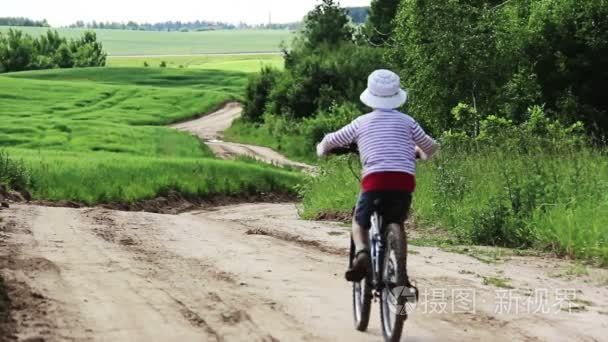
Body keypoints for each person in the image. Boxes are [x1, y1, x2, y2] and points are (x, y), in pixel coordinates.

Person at [316, 69, 438, 282]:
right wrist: (422, 154)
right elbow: (430, 146)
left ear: (370, 95)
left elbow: (330, 140)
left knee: (359, 221)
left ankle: (362, 253)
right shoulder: (408, 122)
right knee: (397, 221)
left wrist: (322, 151)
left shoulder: (361, 122)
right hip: (403, 182)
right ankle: (402, 275)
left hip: (374, 181)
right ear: (396, 95)